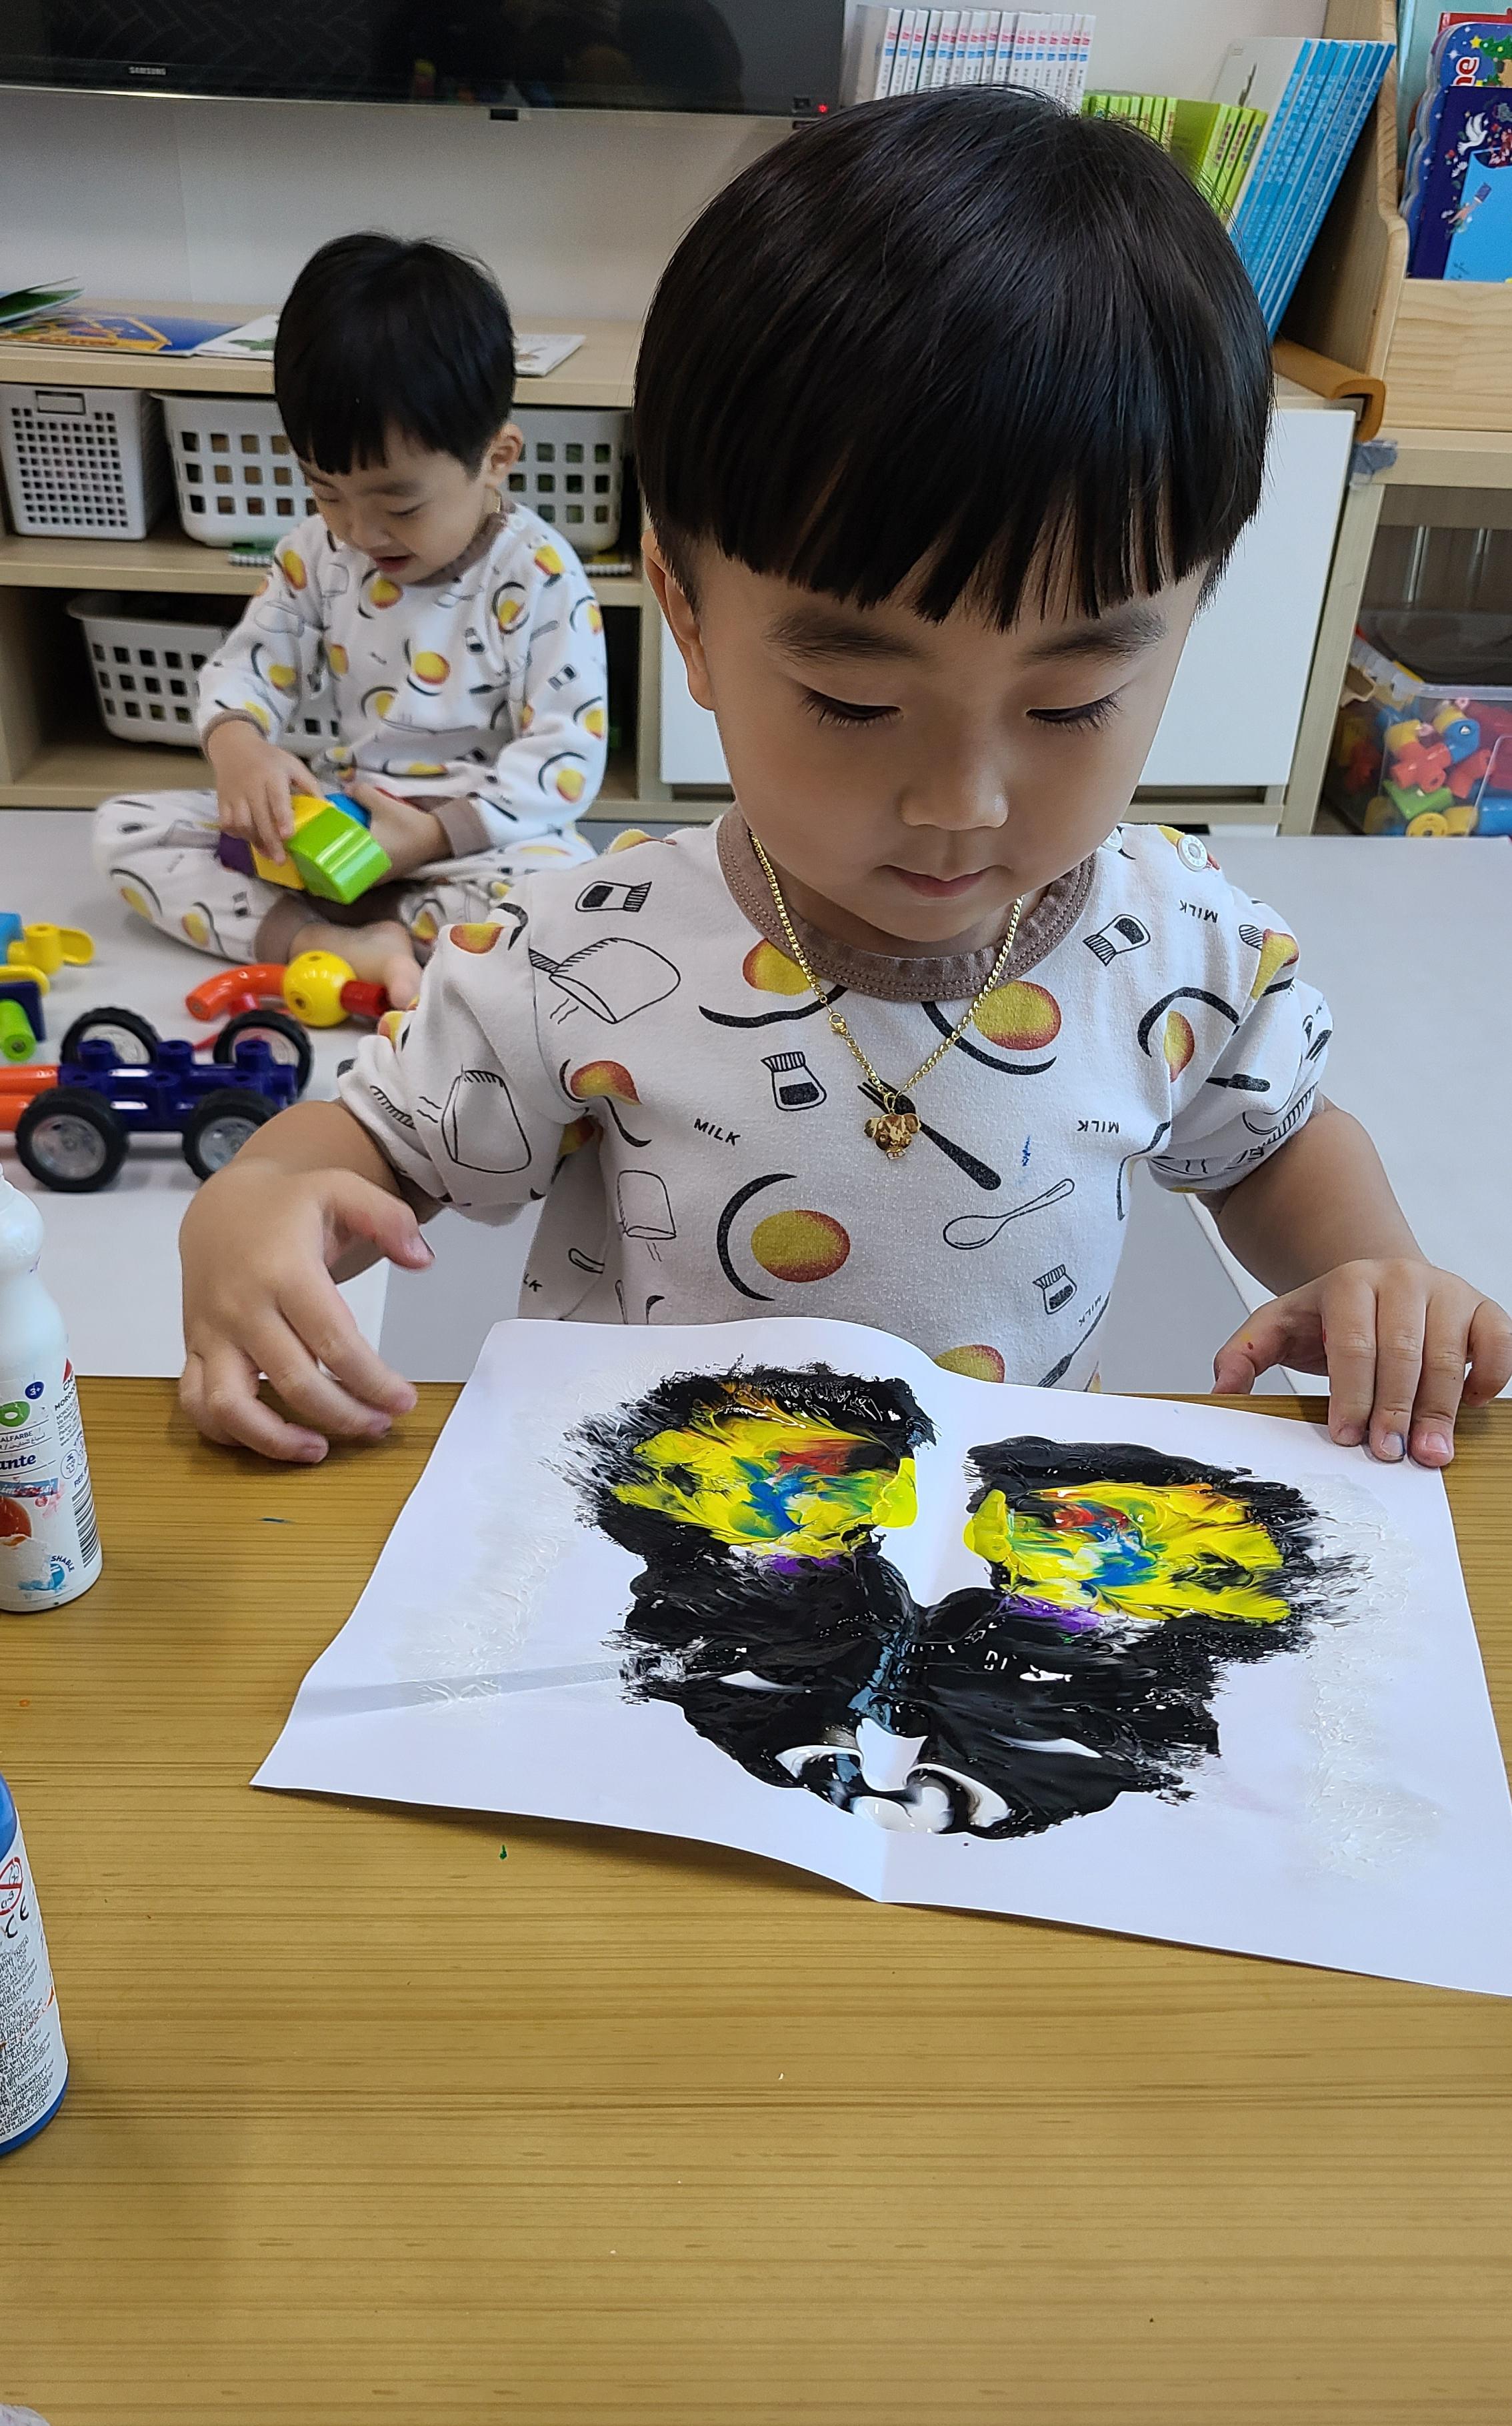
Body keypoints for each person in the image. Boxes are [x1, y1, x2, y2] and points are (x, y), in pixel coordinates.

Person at [177, 89, 1511, 1467]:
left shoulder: (1176, 948)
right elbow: (367, 1149)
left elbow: (1273, 1146)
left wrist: (1374, 1277)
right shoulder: (583, 956)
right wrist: (254, 1209)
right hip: (664, 1538)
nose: (962, 802)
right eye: (855, 702)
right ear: (689, 621)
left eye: (1070, 702)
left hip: (1001, 1554)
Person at [94, 233, 609, 1008]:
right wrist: (239, 748)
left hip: (471, 845)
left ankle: (397, 928)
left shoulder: (536, 572)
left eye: (400, 504)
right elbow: (248, 667)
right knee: (128, 829)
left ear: (496, 459)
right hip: (337, 827)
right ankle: (333, 943)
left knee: (569, 895)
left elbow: (565, 755)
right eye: (326, 491)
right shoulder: (318, 555)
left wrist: (431, 836)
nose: (361, 531)